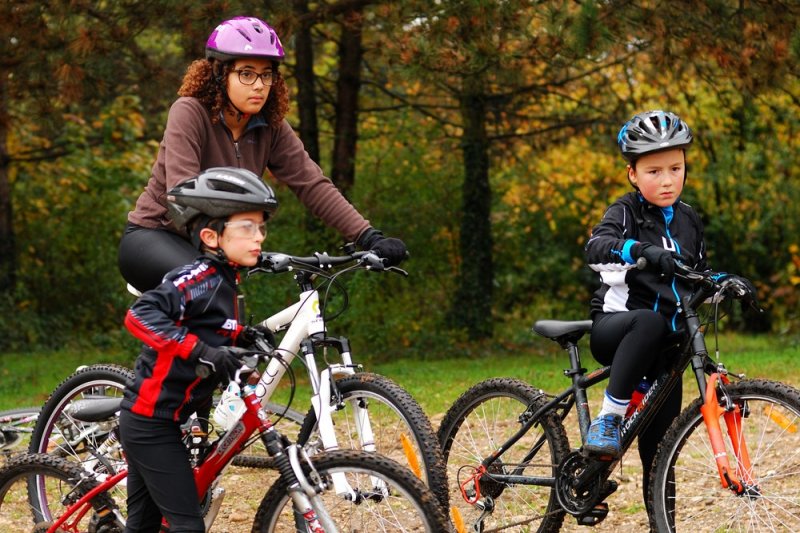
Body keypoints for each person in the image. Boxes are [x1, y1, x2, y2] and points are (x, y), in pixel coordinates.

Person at [118, 16, 405, 294]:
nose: (259, 85)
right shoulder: (190, 112)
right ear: (219, 74)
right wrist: (231, 242)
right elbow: (182, 194)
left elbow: (313, 185)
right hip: (155, 236)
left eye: (266, 74)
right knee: (213, 290)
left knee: (241, 326)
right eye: (246, 73)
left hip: (218, 246)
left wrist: (368, 236)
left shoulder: (271, 126)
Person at [119, 167, 277, 532]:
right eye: (247, 227)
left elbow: (211, 327)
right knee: (188, 526)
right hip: (150, 421)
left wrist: (244, 337)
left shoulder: (227, 281)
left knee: (141, 527)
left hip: (169, 420)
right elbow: (140, 316)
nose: (259, 237)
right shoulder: (196, 278)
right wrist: (200, 351)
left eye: (261, 227)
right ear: (211, 235)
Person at [583, 110, 705, 506]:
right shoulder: (625, 211)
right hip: (617, 330)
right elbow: (596, 248)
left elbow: (694, 274)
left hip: (664, 351)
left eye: (675, 168)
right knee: (651, 322)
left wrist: (723, 282)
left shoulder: (689, 220)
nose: (667, 180)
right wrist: (639, 249)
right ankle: (608, 420)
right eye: (654, 171)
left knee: (660, 458)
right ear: (633, 174)